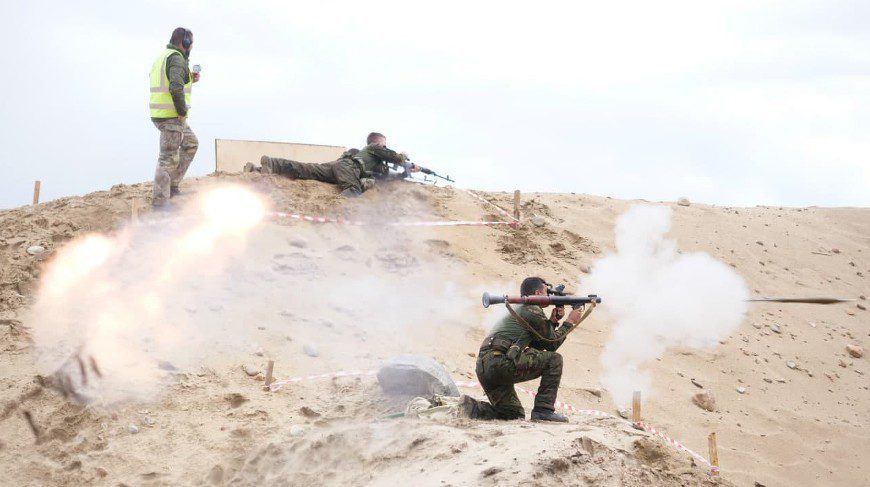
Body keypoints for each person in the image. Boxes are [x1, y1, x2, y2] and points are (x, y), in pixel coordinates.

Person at [459, 277, 585, 422]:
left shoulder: (520, 309)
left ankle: (473, 409)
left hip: (485, 367)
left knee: (512, 414)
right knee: (554, 360)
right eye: (547, 292)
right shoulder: (532, 309)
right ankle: (543, 410)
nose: (550, 296)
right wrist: (570, 321)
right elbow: (551, 345)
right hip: (500, 363)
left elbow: (539, 344)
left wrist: (553, 321)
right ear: (538, 293)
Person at [247, 132, 420, 197]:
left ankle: (267, 165)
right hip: (348, 169)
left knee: (305, 169)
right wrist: (405, 158)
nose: (385, 147)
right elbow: (397, 158)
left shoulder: (366, 156)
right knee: (353, 190)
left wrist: (406, 173)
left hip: (337, 166)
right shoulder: (374, 148)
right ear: (377, 142)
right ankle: (336, 211)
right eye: (384, 144)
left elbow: (387, 175)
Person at [149, 27, 200, 208]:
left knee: (191, 143)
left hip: (166, 114)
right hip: (171, 116)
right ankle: (160, 205)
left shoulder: (166, 56)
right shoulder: (176, 58)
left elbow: (173, 80)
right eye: (190, 43)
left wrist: (189, 77)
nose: (191, 46)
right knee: (167, 158)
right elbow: (175, 87)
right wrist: (182, 111)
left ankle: (172, 187)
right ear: (185, 42)